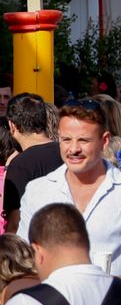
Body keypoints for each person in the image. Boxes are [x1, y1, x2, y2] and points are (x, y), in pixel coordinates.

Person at [18, 102, 121, 276]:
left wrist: (106, 283)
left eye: (83, 140)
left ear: (104, 141)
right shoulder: (38, 191)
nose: (74, 149)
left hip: (111, 293)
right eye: (66, 140)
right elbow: (24, 260)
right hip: (53, 293)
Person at [2, 94, 58, 234]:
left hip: (35, 241)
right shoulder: (67, 153)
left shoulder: (20, 165)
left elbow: (15, 223)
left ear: (12, 125)